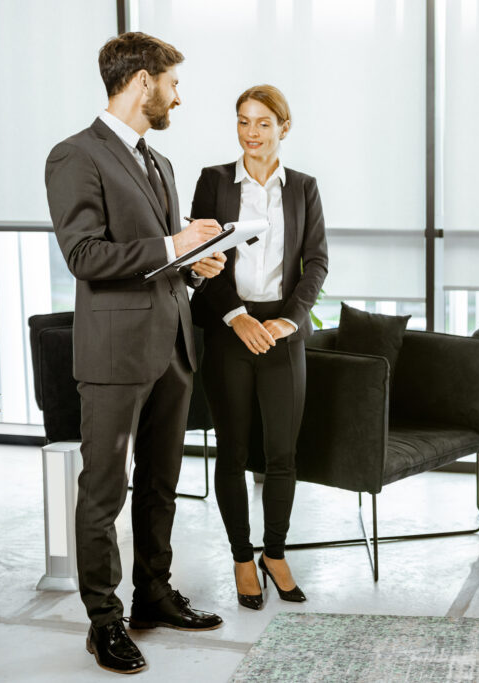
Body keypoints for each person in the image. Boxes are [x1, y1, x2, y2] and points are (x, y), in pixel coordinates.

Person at [45, 32, 227, 675]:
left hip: (172, 345)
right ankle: (104, 621)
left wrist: (195, 264)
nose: (179, 94)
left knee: (160, 485)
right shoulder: (75, 155)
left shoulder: (160, 162)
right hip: (115, 354)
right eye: (173, 82)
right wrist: (174, 244)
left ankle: (154, 593)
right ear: (143, 81)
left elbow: (162, 258)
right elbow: (84, 256)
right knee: (104, 491)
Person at [190, 85, 328, 611]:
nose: (251, 133)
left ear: (283, 128)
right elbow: (203, 255)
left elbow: (315, 262)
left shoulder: (304, 188)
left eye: (263, 123)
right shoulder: (214, 182)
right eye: (244, 122)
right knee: (232, 450)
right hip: (230, 326)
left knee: (281, 454)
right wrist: (236, 316)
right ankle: (242, 557)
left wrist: (292, 320)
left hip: (282, 331)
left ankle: (275, 552)